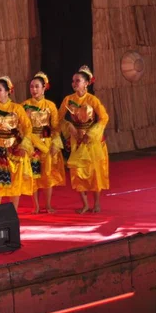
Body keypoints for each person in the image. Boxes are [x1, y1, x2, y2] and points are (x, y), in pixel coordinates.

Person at [58, 65, 109, 214]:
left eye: (78, 81)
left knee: (94, 173)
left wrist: (92, 133)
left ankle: (97, 203)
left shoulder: (92, 100)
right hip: (76, 140)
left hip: (91, 141)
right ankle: (85, 204)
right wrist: (69, 127)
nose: (74, 83)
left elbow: (104, 118)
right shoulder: (68, 100)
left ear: (86, 83)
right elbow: (58, 119)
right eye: (73, 81)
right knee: (77, 173)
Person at [0, 76, 33, 210]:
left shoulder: (17, 108)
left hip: (14, 149)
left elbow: (27, 128)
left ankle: (12, 214)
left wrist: (24, 145)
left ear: (8, 91)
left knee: (15, 183)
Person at [22, 72, 66, 214]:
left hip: (46, 142)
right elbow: (20, 126)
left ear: (44, 88)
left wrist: (55, 143)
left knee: (47, 175)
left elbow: (55, 127)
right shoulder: (25, 106)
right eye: (31, 87)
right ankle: (36, 205)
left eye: (37, 87)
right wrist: (26, 117)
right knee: (34, 176)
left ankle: (48, 204)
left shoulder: (50, 106)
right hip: (31, 143)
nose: (34, 90)